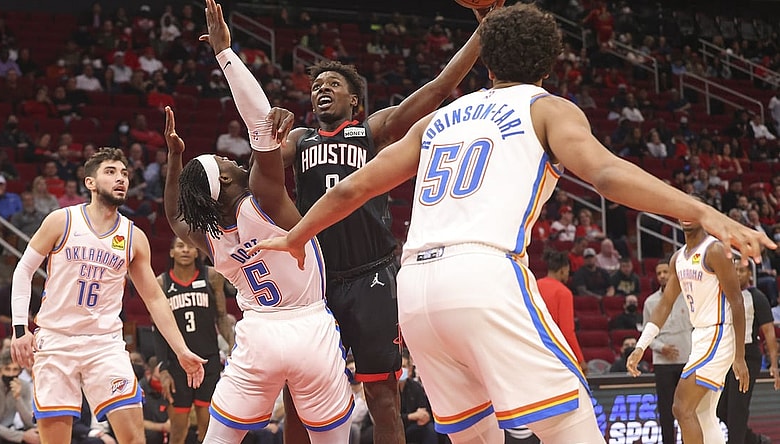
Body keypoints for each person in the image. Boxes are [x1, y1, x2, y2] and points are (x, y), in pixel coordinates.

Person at [254, 3, 775, 442]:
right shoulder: (547, 107)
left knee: (473, 434)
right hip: (482, 272)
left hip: (414, 291)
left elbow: (354, 187)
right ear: (548, 63)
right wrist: (702, 210)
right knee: (573, 423)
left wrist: (296, 237)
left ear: (488, 65)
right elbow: (608, 175)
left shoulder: (442, 119)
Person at [278, 3, 504, 443]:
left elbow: (438, 89)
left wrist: (484, 29)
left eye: (333, 84)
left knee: (383, 398)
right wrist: (263, 134)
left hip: (371, 278)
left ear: (354, 101)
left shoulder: (372, 131)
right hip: (316, 281)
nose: (321, 88)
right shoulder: (297, 140)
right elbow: (260, 172)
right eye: (316, 85)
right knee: (297, 399)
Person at [163, 3, 352, 442]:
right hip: (309, 328)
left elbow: (174, 214)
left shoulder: (212, 238)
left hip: (258, 336)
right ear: (227, 179)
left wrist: (174, 158)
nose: (233, 159)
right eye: (226, 162)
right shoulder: (263, 199)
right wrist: (226, 54)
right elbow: (261, 125)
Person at [9, 147, 206, 444]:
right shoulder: (61, 221)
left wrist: (181, 350)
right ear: (90, 182)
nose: (121, 179)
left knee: (133, 440)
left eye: (125, 174)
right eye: (111, 172)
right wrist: (19, 330)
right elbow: (23, 271)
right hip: (55, 340)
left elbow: (154, 298)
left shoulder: (133, 236)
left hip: (104, 345)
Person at [628, 217, 749, 444]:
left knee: (681, 406)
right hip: (701, 335)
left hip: (718, 332)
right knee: (702, 414)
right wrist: (641, 345)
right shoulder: (678, 258)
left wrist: (739, 356)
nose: (686, 214)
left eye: (692, 209)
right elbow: (665, 304)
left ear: (702, 216)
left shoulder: (714, 250)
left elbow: (737, 300)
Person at [153, 236, 234, 444]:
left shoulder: (212, 276)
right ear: (171, 253)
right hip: (177, 364)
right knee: (178, 431)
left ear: (198, 252)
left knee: (209, 429)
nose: (185, 250)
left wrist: (235, 349)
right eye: (179, 246)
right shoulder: (162, 283)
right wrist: (163, 368)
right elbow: (158, 329)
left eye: (190, 246)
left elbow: (222, 317)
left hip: (208, 360)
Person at [716, 260, 779, 444]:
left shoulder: (756, 297)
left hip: (748, 355)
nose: (737, 273)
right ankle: (754, 439)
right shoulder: (723, 294)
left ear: (749, 274)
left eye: (741, 270)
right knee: (720, 409)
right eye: (733, 270)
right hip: (726, 355)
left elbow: (769, 332)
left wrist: (774, 365)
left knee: (737, 409)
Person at [642, 257, 692, 444]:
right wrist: (661, 348)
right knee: (666, 409)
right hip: (662, 363)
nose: (662, 276)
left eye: (666, 272)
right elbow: (646, 334)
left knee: (688, 409)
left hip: (687, 360)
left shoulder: (688, 298)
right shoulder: (650, 302)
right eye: (659, 273)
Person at [536, 250, 587, 374]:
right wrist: (580, 360)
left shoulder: (533, 285)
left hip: (533, 346)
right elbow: (567, 331)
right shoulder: (564, 293)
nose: (567, 276)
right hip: (553, 352)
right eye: (568, 272)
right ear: (563, 270)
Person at [0, 348, 40, 444]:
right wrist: (21, 436)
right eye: (7, 369)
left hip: (11, 429)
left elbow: (30, 423)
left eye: (15, 370)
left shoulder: (24, 386)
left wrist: (17, 397)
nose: (11, 374)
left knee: (36, 433)